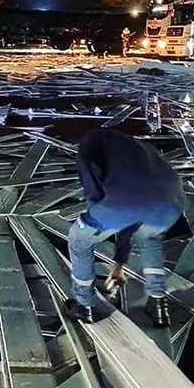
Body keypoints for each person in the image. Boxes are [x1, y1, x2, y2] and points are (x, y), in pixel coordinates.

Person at [66, 128, 185, 326]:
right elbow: (133, 218)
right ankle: (159, 306)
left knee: (78, 240)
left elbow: (89, 173)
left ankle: (83, 305)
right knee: (149, 239)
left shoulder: (91, 139)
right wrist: (119, 262)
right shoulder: (140, 147)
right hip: (170, 205)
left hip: (121, 205)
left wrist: (95, 205)